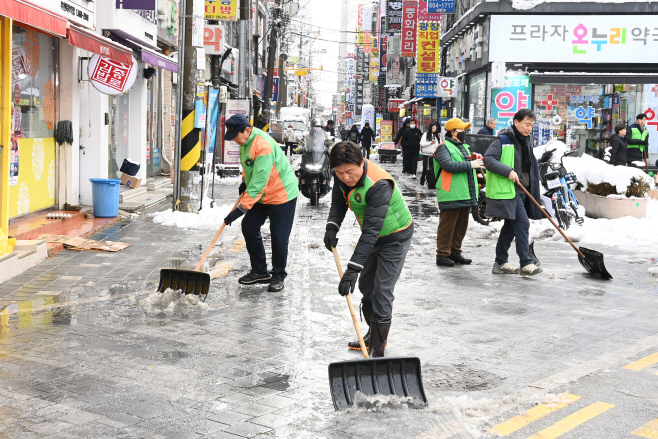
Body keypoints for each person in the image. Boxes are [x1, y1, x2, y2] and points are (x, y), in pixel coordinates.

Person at [323, 141, 413, 357]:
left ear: (361, 163)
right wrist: (331, 227)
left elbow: (372, 231)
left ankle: (378, 348)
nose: (345, 177)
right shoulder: (342, 176)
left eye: (350, 172)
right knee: (366, 286)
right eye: (340, 173)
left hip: (395, 237)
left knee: (381, 290)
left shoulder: (378, 184)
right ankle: (373, 334)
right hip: (374, 237)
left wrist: (352, 269)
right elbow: (338, 204)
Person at [222, 114, 300, 292]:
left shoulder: (263, 144)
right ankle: (259, 272)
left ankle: (278, 275)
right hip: (262, 195)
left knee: (279, 237)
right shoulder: (245, 142)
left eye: (235, 135)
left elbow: (259, 181)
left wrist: (240, 209)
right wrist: (244, 181)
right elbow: (248, 166)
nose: (234, 139)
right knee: (249, 226)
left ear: (247, 130)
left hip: (282, 194)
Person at [484, 108, 543, 276]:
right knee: (522, 223)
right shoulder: (503, 139)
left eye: (531, 125)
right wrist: (508, 171)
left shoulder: (528, 139)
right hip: (508, 190)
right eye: (527, 124)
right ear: (516, 122)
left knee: (510, 226)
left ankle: (500, 262)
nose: (529, 128)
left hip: (523, 189)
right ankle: (526, 263)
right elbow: (488, 159)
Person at [433, 119, 481, 267]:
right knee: (447, 226)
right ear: (453, 132)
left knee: (461, 225)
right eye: (462, 130)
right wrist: (470, 164)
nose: (464, 133)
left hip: (465, 192)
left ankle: (455, 252)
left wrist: (473, 158)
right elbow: (448, 165)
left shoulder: (463, 147)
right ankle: (442, 254)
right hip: (451, 192)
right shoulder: (443, 147)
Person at [419, 121, 441, 186]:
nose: (434, 130)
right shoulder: (425, 134)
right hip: (426, 153)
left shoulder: (437, 135)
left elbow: (440, 144)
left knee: (433, 168)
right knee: (426, 168)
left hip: (434, 154)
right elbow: (421, 143)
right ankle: (422, 178)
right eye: (433, 128)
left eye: (435, 128)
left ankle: (431, 181)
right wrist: (430, 143)